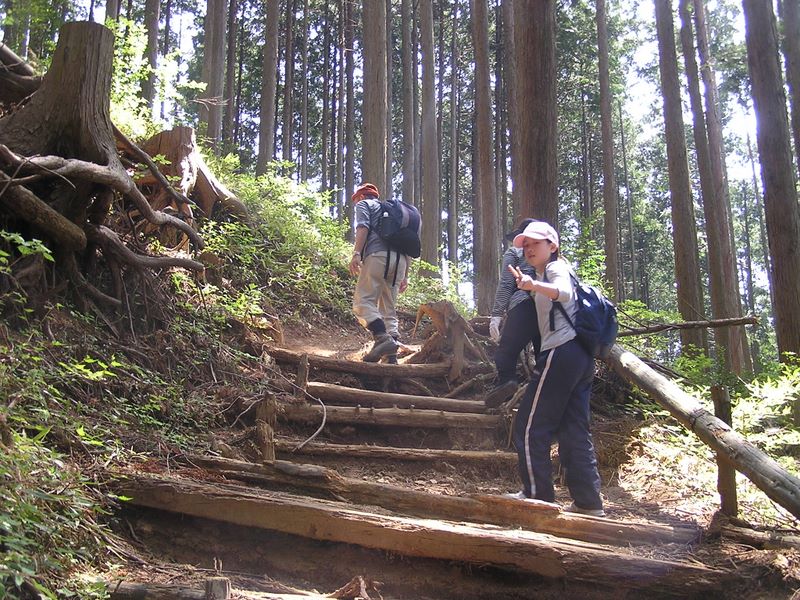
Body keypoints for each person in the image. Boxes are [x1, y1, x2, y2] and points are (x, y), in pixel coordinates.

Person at [505, 220, 605, 517]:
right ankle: (588, 503)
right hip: (580, 356)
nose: (529, 249)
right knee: (574, 428)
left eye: (536, 243)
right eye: (526, 245)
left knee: (530, 425)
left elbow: (563, 293)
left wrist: (534, 285)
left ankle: (537, 497)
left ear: (553, 245)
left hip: (562, 352)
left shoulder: (555, 269)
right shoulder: (545, 272)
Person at [348, 183, 413, 363]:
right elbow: (407, 242)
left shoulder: (364, 205)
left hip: (377, 256)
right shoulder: (394, 212)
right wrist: (405, 274)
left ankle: (382, 337)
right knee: (388, 308)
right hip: (400, 261)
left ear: (361, 197)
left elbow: (363, 227)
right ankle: (390, 357)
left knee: (363, 301)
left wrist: (356, 253)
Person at [485, 218, 541, 408]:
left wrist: (496, 314)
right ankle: (542, 397)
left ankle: (507, 384)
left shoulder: (515, 251)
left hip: (523, 304)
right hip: (549, 307)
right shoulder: (550, 254)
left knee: (505, 354)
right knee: (544, 356)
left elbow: (507, 283)